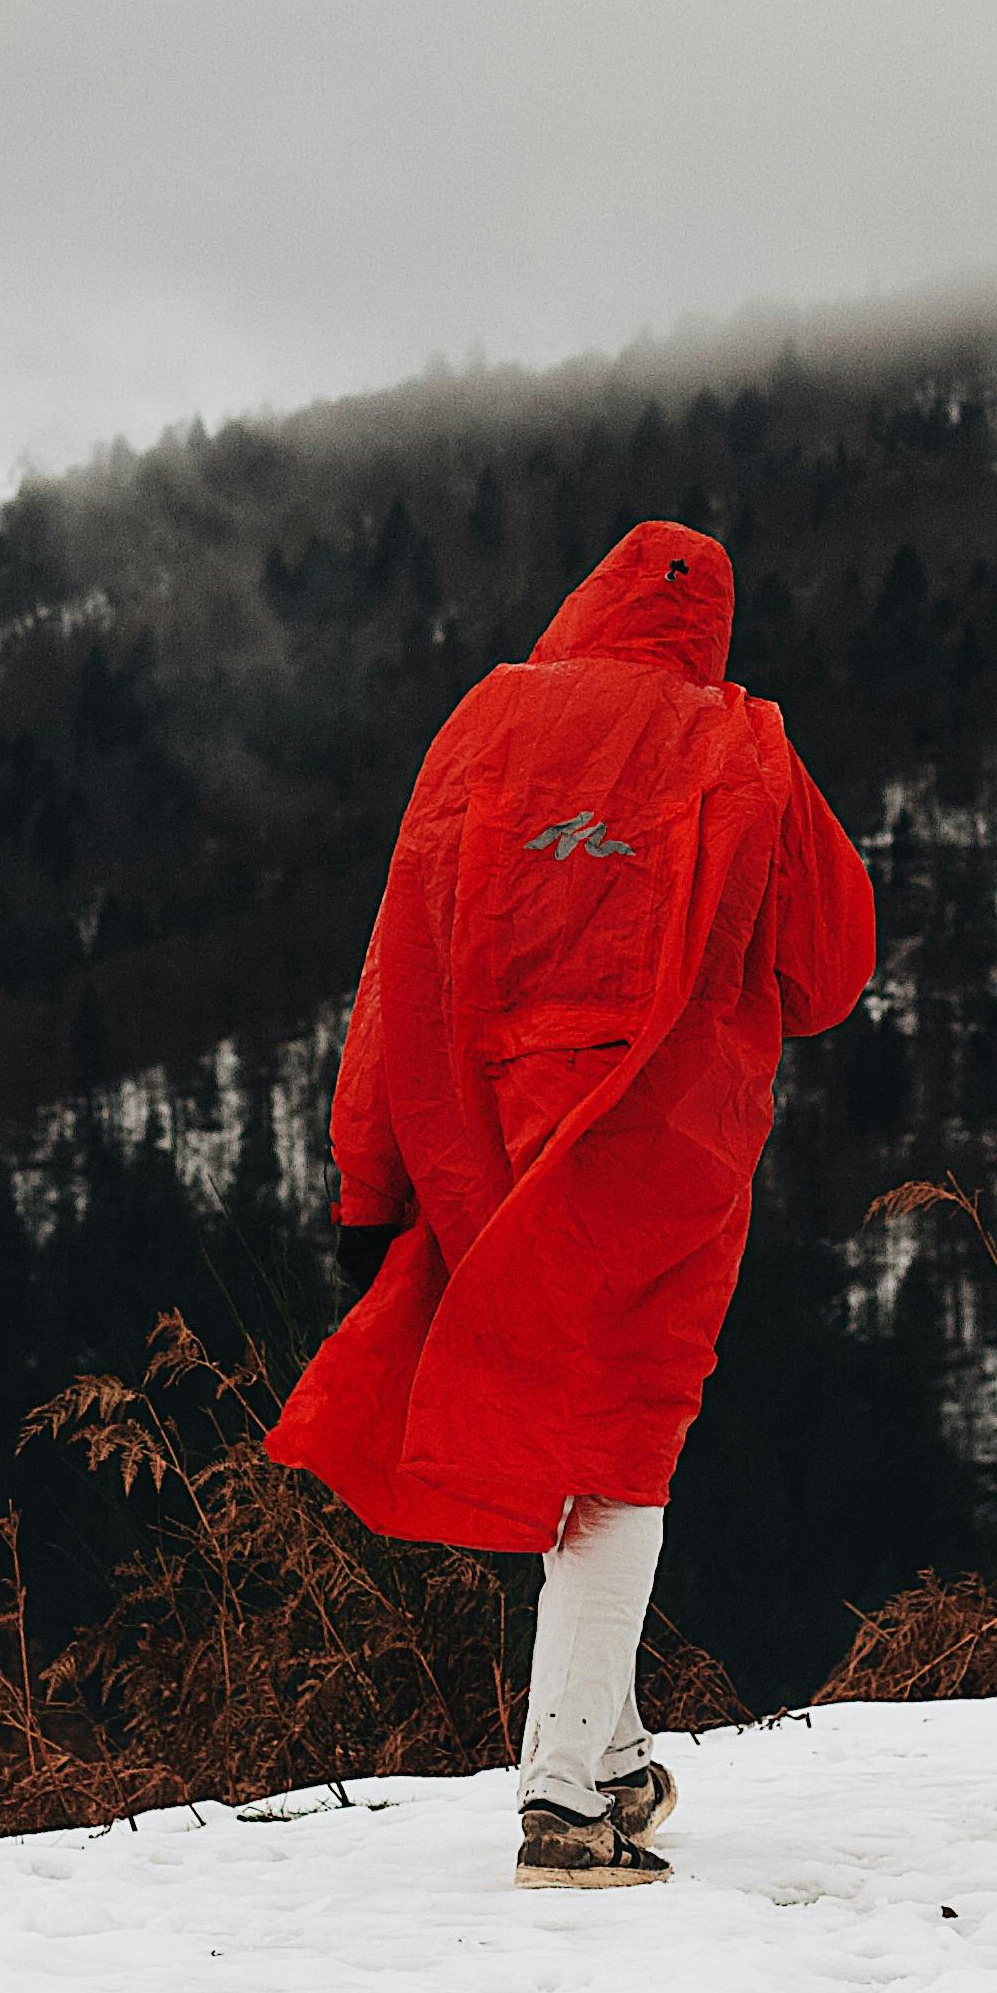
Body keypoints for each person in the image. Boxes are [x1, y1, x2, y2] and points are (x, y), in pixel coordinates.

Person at [266, 517, 876, 1889]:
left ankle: (606, 1759)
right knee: (621, 1450)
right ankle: (563, 1801)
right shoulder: (748, 746)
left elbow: (398, 965)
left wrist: (369, 1184)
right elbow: (832, 971)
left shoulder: (481, 724)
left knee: (568, 1439)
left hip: (477, 1140)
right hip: (662, 1156)